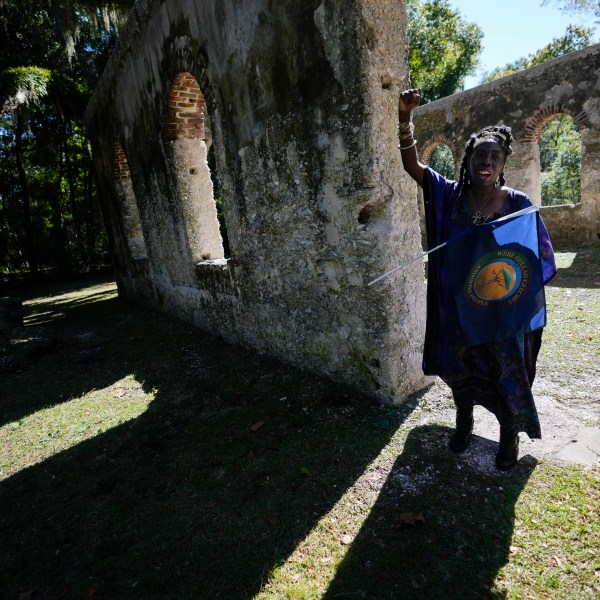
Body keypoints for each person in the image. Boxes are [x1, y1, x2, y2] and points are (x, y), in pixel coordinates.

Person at [398, 88, 557, 471]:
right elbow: (412, 167)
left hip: (500, 311)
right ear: (467, 160)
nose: (486, 160)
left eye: (494, 156)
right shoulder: (449, 195)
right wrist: (404, 119)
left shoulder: (517, 204)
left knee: (505, 373)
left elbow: (536, 254)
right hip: (457, 308)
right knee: (461, 371)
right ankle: (464, 423)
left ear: (502, 163)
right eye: (479, 154)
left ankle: (508, 436)